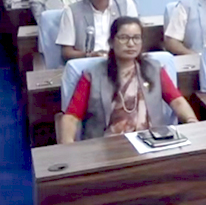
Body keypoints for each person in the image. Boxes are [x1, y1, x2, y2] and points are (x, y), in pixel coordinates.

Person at [59, 17, 198, 142]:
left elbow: (177, 101)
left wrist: (192, 121)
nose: (131, 44)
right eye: (124, 38)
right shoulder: (93, 75)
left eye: (136, 38)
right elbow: (71, 117)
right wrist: (68, 148)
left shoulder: (154, 70)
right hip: (105, 147)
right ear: (111, 42)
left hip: (152, 142)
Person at [57, 0, 139, 61]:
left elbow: (137, 40)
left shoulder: (126, 5)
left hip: (120, 62)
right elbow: (66, 52)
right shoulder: (72, 11)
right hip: (87, 63)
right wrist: (89, 55)